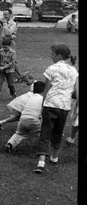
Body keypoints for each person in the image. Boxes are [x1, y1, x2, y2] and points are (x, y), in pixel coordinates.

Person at [33, 44, 78, 173]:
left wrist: (42, 105)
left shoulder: (51, 69)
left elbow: (46, 89)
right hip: (64, 106)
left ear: (58, 55)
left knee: (45, 131)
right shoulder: (74, 71)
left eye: (52, 54)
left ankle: (41, 162)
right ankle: (54, 157)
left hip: (51, 104)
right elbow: (76, 92)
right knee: (58, 131)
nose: (51, 56)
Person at [5, 81, 46, 153]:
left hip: (22, 119)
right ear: (44, 90)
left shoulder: (29, 98)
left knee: (19, 134)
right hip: (33, 120)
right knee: (43, 133)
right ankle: (41, 150)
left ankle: (10, 144)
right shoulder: (42, 99)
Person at [0, 37, 17, 103]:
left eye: (6, 47)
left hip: (10, 71)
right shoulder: (0, 51)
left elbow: (12, 62)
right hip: (1, 71)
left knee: (10, 84)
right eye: (3, 47)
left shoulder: (13, 52)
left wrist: (4, 67)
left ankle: (13, 94)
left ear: (10, 46)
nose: (4, 49)